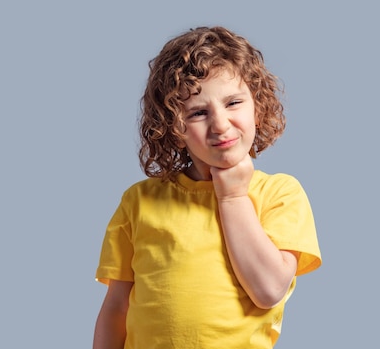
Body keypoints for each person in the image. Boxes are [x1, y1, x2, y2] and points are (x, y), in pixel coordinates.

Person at [93, 26, 321, 349]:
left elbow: (270, 289)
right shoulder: (139, 202)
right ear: (173, 126)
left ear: (257, 105)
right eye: (198, 112)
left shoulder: (281, 194)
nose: (220, 124)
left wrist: (232, 196)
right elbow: (116, 307)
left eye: (233, 103)